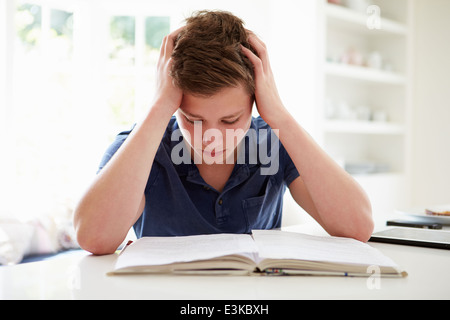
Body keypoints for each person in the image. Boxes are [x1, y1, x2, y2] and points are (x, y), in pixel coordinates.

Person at [74, 10, 373, 255]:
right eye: (192, 119)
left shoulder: (273, 140)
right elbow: (94, 239)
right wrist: (158, 108)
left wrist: (278, 113)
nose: (210, 137)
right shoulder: (141, 146)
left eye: (230, 120)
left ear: (256, 102)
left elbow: (358, 227)